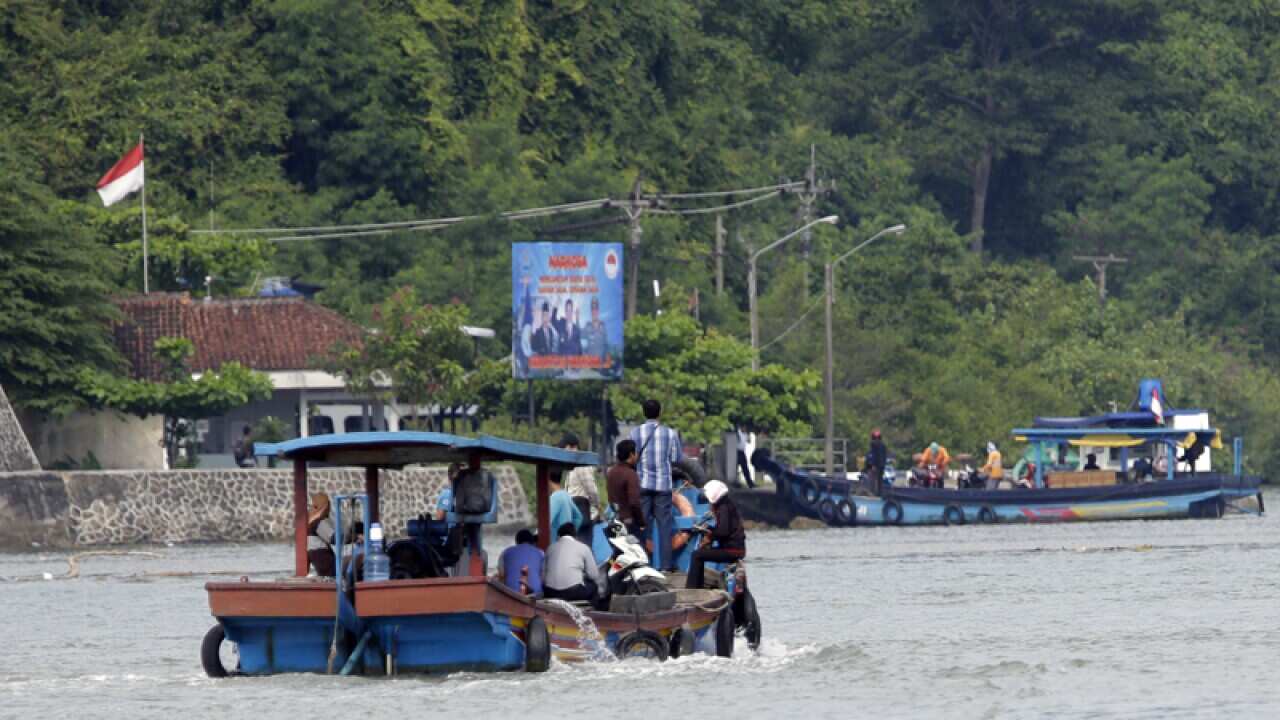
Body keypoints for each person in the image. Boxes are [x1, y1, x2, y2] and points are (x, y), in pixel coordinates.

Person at [629, 399, 682, 572]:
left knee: (641, 526)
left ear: (644, 413)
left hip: (642, 485)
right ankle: (665, 566)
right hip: (663, 486)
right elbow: (676, 459)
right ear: (660, 413)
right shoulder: (670, 434)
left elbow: (630, 458)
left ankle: (640, 564)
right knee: (664, 526)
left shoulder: (634, 433)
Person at [686, 481, 745, 589]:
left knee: (697, 555)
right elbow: (724, 529)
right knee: (700, 555)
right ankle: (698, 586)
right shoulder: (727, 505)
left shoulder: (723, 508)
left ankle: (692, 588)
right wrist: (710, 530)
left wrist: (710, 535)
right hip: (734, 548)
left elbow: (723, 532)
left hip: (732, 550)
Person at [543, 522, 603, 606]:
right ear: (575, 536)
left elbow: (543, 576)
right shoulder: (583, 547)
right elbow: (594, 575)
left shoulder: (550, 548)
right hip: (573, 592)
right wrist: (582, 575)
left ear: (559, 536)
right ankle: (591, 612)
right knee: (594, 587)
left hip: (550, 592)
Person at [559, 432, 601, 529]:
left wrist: (597, 507)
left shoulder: (582, 465)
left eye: (564, 448)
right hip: (575, 512)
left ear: (572, 447)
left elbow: (592, 490)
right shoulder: (572, 466)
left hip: (583, 512)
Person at [606, 439, 644, 538]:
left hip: (614, 520)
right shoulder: (631, 475)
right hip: (628, 522)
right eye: (635, 453)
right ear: (631, 455)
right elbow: (634, 503)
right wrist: (641, 522)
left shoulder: (611, 472)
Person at [497, 529, 544, 595]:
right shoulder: (540, 553)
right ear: (532, 541)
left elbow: (501, 576)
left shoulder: (505, 552)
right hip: (536, 593)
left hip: (511, 593)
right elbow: (543, 576)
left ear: (516, 541)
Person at [548, 470, 583, 537]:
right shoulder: (566, 495)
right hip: (565, 539)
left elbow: (546, 522)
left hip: (554, 541)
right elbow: (578, 517)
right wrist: (570, 535)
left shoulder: (555, 498)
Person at [585, 296, 608, 362]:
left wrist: (605, 360)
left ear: (598, 311)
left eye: (596, 308)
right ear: (591, 311)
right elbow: (578, 334)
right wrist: (577, 318)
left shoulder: (603, 326)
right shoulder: (587, 325)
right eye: (592, 309)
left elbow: (606, 344)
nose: (594, 311)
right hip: (590, 363)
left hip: (601, 363)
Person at [865, 429, 887, 495]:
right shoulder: (883, 445)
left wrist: (873, 465)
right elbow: (884, 456)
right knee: (879, 479)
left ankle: (873, 492)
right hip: (881, 465)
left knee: (873, 479)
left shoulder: (874, 445)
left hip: (876, 465)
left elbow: (874, 455)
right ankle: (879, 492)